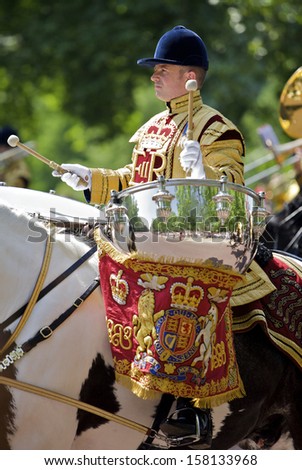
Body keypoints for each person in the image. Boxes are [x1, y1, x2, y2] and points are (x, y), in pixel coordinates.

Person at [52, 25, 246, 449]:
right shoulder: (154, 125)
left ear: (190, 77)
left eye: (162, 69)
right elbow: (132, 180)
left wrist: (204, 176)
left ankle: (187, 408)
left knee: (179, 292)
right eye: (155, 70)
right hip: (145, 235)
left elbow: (230, 190)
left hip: (196, 243)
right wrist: (91, 179)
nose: (154, 76)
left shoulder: (216, 130)